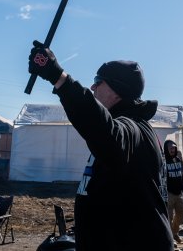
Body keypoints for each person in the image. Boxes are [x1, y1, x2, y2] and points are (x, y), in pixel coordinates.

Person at [29, 40, 173, 251]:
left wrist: (58, 77)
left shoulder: (133, 130)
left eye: (98, 81)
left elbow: (106, 133)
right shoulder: (125, 126)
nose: (93, 87)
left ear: (117, 90)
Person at [164, 139, 183, 243]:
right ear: (166, 149)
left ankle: (174, 232)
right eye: (170, 148)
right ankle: (170, 238)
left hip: (179, 193)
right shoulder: (164, 161)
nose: (172, 150)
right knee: (169, 217)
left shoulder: (178, 160)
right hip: (169, 193)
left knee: (181, 215)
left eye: (174, 148)